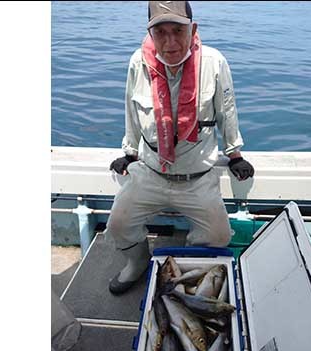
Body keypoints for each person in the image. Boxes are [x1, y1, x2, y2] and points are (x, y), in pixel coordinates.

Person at [105, 1, 254, 295]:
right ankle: (137, 264)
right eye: (160, 32)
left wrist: (234, 153)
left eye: (178, 30)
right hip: (150, 173)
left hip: (198, 179)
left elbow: (227, 109)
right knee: (118, 225)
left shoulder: (214, 62)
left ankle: (185, 265)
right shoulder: (138, 62)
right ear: (150, 33)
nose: (170, 42)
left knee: (219, 236)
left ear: (193, 29)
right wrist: (129, 152)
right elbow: (131, 110)